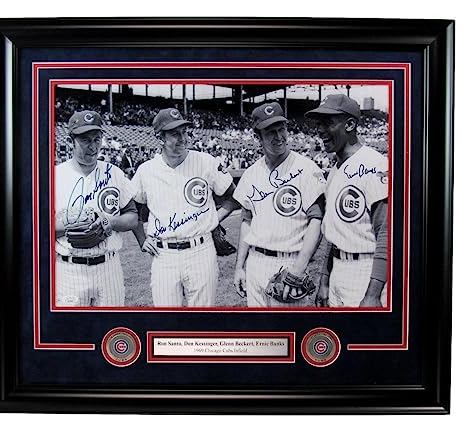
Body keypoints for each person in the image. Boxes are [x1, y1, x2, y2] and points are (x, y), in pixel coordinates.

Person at [131, 108, 238, 307]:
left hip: (201, 250)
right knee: (166, 322)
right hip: (164, 254)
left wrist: (215, 218)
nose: (182, 139)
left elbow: (233, 196)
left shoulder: (205, 162)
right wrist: (142, 240)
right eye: (174, 134)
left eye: (184, 132)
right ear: (160, 138)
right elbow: (132, 209)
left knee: (202, 321)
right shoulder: (146, 170)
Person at [233, 102, 326, 307]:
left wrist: (299, 267)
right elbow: (247, 222)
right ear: (258, 138)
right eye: (270, 132)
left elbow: (316, 220)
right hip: (256, 262)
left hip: (289, 262)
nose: (279, 137)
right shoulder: (250, 174)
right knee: (259, 337)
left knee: (289, 333)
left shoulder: (306, 168)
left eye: (281, 129)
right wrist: (240, 267)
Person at [305, 94, 388, 307]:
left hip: (365, 271)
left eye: (328, 123)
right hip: (337, 271)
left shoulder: (374, 164)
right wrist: (324, 279)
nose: (320, 130)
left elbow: (387, 235)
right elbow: (334, 235)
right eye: (318, 123)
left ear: (350, 124)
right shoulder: (335, 170)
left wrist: (373, 294)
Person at [55, 110, 138, 307]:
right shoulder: (53, 176)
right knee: (72, 335)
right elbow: (37, 228)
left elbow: (133, 217)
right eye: (85, 140)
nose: (93, 147)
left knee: (110, 330)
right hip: (69, 270)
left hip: (109, 268)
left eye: (97, 139)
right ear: (70, 141)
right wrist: (72, 228)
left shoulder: (114, 173)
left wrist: (110, 221)